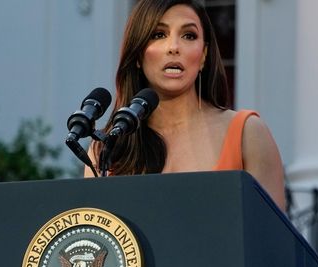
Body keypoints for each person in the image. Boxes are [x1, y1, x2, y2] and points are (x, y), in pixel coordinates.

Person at [85, 0, 286, 210]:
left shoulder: (248, 133)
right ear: (137, 55)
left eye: (189, 36)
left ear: (203, 56)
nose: (174, 47)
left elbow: (272, 237)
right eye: (158, 34)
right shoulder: (107, 147)